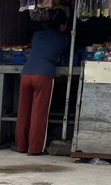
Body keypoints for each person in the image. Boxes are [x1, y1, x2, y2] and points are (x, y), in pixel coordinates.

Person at [14, 10, 71, 156]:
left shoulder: (37, 35)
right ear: (62, 26)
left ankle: (21, 145)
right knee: (39, 113)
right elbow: (66, 52)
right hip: (43, 76)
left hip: (26, 74)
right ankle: (35, 149)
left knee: (23, 112)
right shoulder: (63, 39)